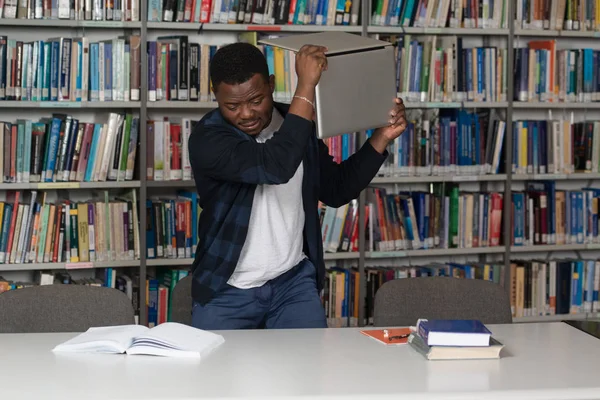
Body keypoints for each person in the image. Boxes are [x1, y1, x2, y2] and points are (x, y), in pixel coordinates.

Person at [187, 42, 406, 330]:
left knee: (309, 372)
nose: (246, 114)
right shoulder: (207, 139)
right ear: (217, 98)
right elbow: (275, 165)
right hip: (228, 287)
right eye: (232, 106)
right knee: (216, 375)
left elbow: (336, 189)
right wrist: (306, 86)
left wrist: (381, 138)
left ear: (271, 85)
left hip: (293, 284)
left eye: (256, 100)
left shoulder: (297, 125)